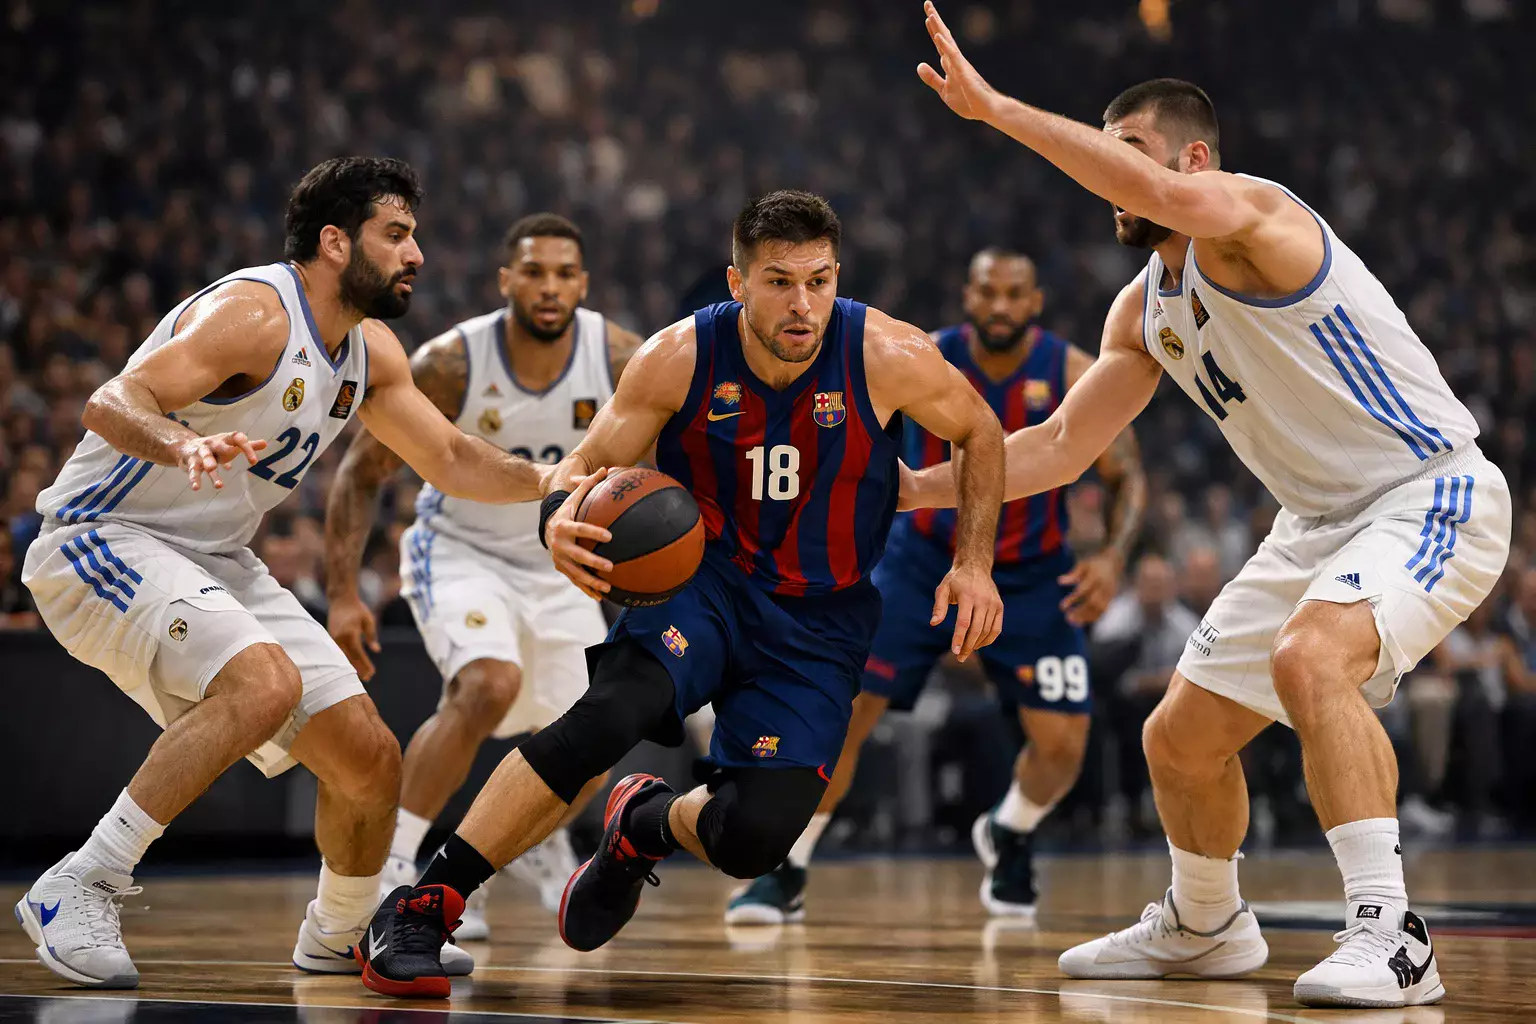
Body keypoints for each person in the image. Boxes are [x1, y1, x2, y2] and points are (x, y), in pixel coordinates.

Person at [906, 4, 1511, 1008]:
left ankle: (1391, 932)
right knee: (1177, 739)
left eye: (1129, 152)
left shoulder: (1256, 217)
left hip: (1427, 487)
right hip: (1317, 524)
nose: (1113, 176)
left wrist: (997, 110)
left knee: (1312, 656)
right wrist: (915, 488)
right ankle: (1205, 924)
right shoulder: (1142, 308)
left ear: (1193, 161)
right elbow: (1060, 447)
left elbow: (1150, 186)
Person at [353, 189, 1006, 998]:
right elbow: (581, 467)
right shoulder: (677, 357)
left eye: (819, 280)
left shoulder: (886, 353)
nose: (802, 304)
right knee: (607, 716)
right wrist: (559, 518)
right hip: (705, 585)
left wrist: (973, 562)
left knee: (753, 840)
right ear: (737, 283)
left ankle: (646, 822)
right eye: (777, 281)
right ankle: (424, 902)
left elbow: (980, 431)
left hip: (821, 616)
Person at [15, 157, 556, 989]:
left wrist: (557, 481)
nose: (417, 254)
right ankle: (80, 883)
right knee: (262, 683)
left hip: (216, 557)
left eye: (415, 235)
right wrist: (179, 442)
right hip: (101, 535)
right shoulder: (254, 313)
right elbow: (109, 402)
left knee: (370, 760)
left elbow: (449, 455)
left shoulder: (369, 348)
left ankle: (338, 932)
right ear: (335, 243)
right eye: (398, 235)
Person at [726, 247, 1145, 924]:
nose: (1001, 306)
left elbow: (1127, 474)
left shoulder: (1069, 369)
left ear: (1034, 303)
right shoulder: (918, 356)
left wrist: (1114, 559)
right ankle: (788, 865)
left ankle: (1009, 830)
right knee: (846, 712)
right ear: (968, 297)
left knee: (1065, 742)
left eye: (1015, 294)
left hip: (1036, 572)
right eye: (989, 293)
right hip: (918, 559)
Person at [325, 212, 645, 937]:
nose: (549, 286)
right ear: (506, 280)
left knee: (598, 731)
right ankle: (397, 864)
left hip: (560, 560)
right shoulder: (453, 362)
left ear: (583, 285)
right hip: (461, 547)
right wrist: (344, 591)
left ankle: (503, 857)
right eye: (533, 271)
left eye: (564, 273)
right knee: (487, 685)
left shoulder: (621, 358)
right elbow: (359, 472)